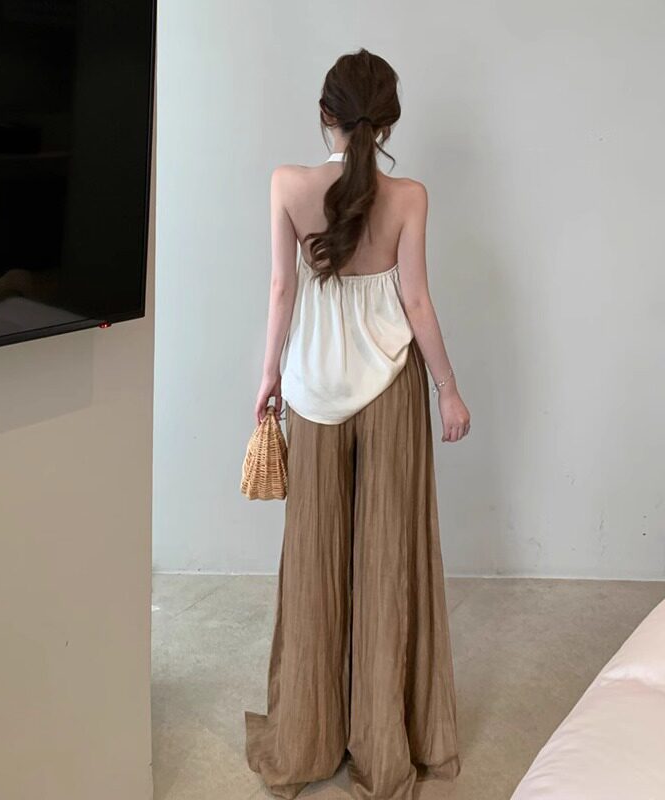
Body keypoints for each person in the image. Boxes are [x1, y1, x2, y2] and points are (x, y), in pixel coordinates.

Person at [243, 48, 470, 800]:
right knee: (387, 560)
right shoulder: (409, 197)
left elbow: (282, 289)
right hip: (392, 392)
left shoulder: (287, 185)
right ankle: (383, 744)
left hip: (312, 394)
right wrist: (448, 391)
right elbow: (417, 301)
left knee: (314, 562)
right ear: (389, 122)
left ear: (325, 114)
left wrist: (268, 376)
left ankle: (307, 740)